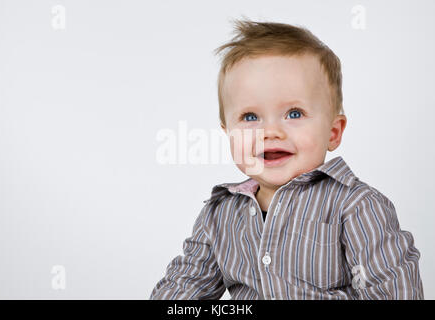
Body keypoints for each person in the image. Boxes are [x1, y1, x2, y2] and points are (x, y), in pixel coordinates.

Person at [150, 19, 424, 299]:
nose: (271, 132)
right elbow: (184, 287)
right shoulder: (219, 214)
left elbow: (393, 292)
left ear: (333, 132)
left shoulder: (356, 207)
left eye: (294, 113)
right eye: (250, 117)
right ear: (228, 133)